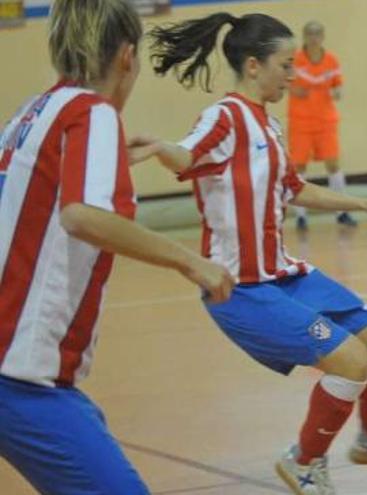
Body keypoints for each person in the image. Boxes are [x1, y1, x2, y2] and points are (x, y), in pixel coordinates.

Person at [147, 12, 367, 495]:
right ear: (254, 66)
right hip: (238, 287)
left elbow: (295, 188)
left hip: (283, 273)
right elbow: (185, 155)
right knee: (350, 361)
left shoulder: (269, 126)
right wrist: (155, 146)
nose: (293, 74)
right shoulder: (226, 117)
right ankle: (303, 461)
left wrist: (365, 201)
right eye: (286, 64)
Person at [0, 1, 234, 493]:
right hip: (19, 373)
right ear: (127, 56)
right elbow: (82, 215)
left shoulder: (32, 113)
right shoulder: (93, 113)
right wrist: (191, 261)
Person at [288, 20, 355, 230]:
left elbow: (338, 86)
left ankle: (342, 212)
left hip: (325, 121)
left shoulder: (331, 61)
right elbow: (284, 81)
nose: (314, 38)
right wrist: (292, 89)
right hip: (301, 121)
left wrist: (337, 92)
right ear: (304, 37)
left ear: (323, 36)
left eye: (317, 34)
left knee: (333, 164)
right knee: (299, 166)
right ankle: (301, 216)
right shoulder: (294, 61)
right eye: (310, 34)